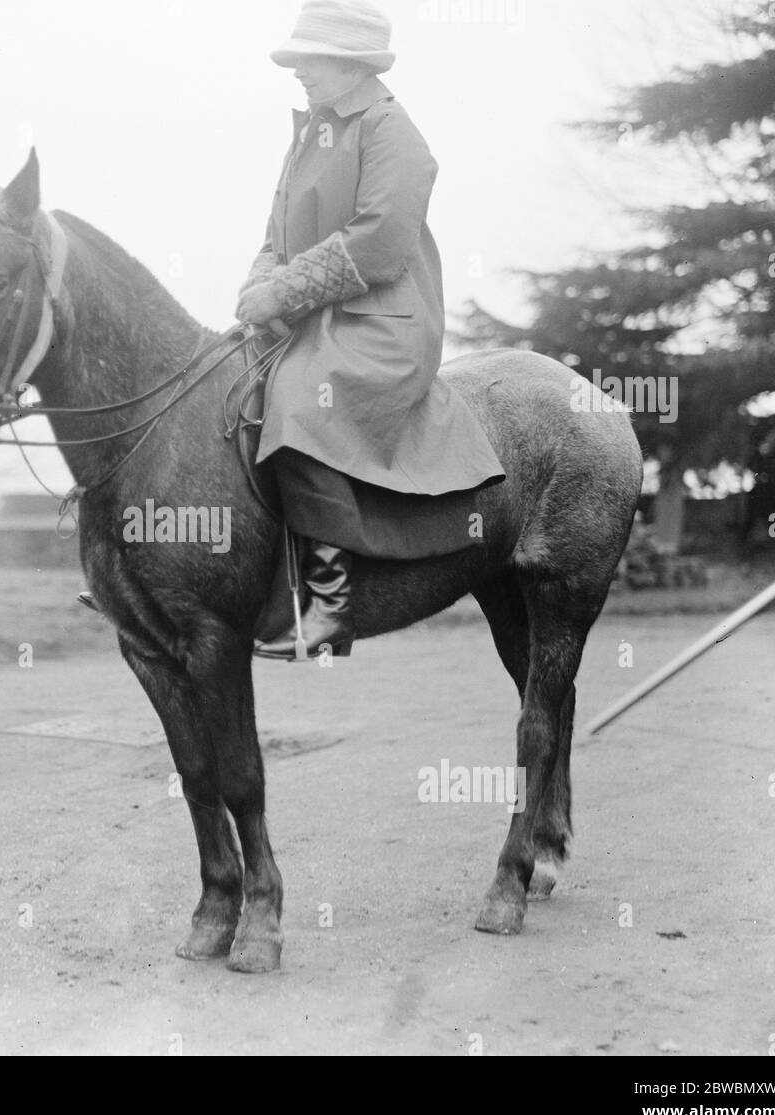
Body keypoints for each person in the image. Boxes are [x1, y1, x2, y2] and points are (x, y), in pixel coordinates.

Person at [237, 0, 506, 659]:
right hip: (313, 320)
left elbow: (379, 245)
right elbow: (274, 238)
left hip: (385, 323)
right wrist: (255, 289)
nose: (298, 71)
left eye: (311, 60)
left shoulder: (393, 133)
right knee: (224, 390)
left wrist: (283, 292)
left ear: (352, 66)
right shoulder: (309, 134)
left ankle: (330, 602)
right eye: (296, 59)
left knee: (299, 403)